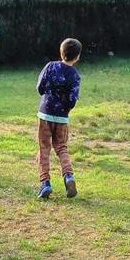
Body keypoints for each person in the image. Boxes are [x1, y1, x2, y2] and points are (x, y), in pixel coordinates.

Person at [36, 38, 82, 200]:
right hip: (62, 117)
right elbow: (73, 99)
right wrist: (65, 108)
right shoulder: (75, 75)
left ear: (61, 53)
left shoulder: (51, 66)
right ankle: (69, 176)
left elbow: (40, 88)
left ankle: (45, 183)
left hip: (45, 114)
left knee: (44, 148)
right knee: (61, 147)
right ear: (77, 57)